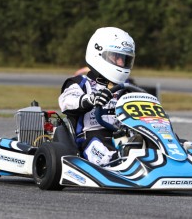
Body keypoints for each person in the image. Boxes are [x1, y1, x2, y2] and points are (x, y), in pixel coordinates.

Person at [58, 27, 135, 166]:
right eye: (116, 57)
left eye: (124, 59)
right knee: (100, 145)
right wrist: (90, 99)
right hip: (91, 136)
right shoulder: (79, 83)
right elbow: (67, 102)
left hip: (123, 134)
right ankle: (115, 162)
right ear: (98, 53)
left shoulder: (128, 86)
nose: (121, 63)